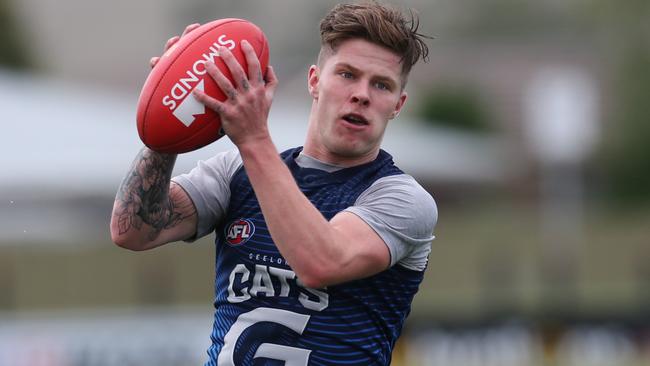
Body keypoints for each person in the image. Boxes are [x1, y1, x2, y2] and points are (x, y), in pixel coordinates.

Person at [111, 2, 437, 365]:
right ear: (315, 81)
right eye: (347, 74)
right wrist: (166, 127)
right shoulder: (236, 171)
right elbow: (134, 231)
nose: (362, 94)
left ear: (397, 104)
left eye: (381, 85)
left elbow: (319, 263)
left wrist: (253, 139)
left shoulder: (402, 200)